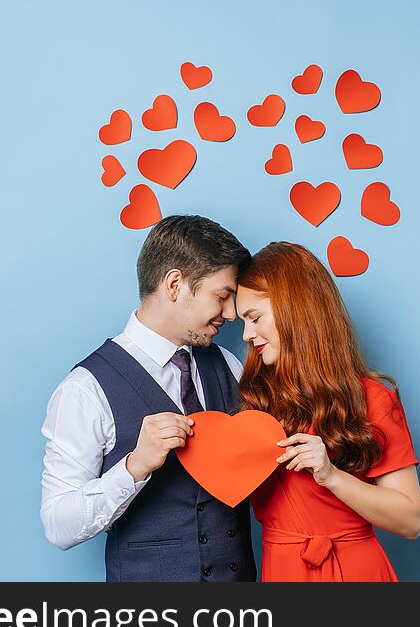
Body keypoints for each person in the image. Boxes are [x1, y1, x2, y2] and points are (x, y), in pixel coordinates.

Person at [40, 215, 257, 582]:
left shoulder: (227, 364)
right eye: (221, 296)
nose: (231, 314)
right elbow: (58, 525)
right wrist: (133, 466)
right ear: (175, 284)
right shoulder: (85, 389)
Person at [235, 241, 420, 581]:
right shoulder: (253, 399)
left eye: (255, 318)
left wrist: (331, 476)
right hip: (283, 571)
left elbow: (411, 520)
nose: (247, 335)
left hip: (356, 570)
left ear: (296, 309)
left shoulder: (373, 398)